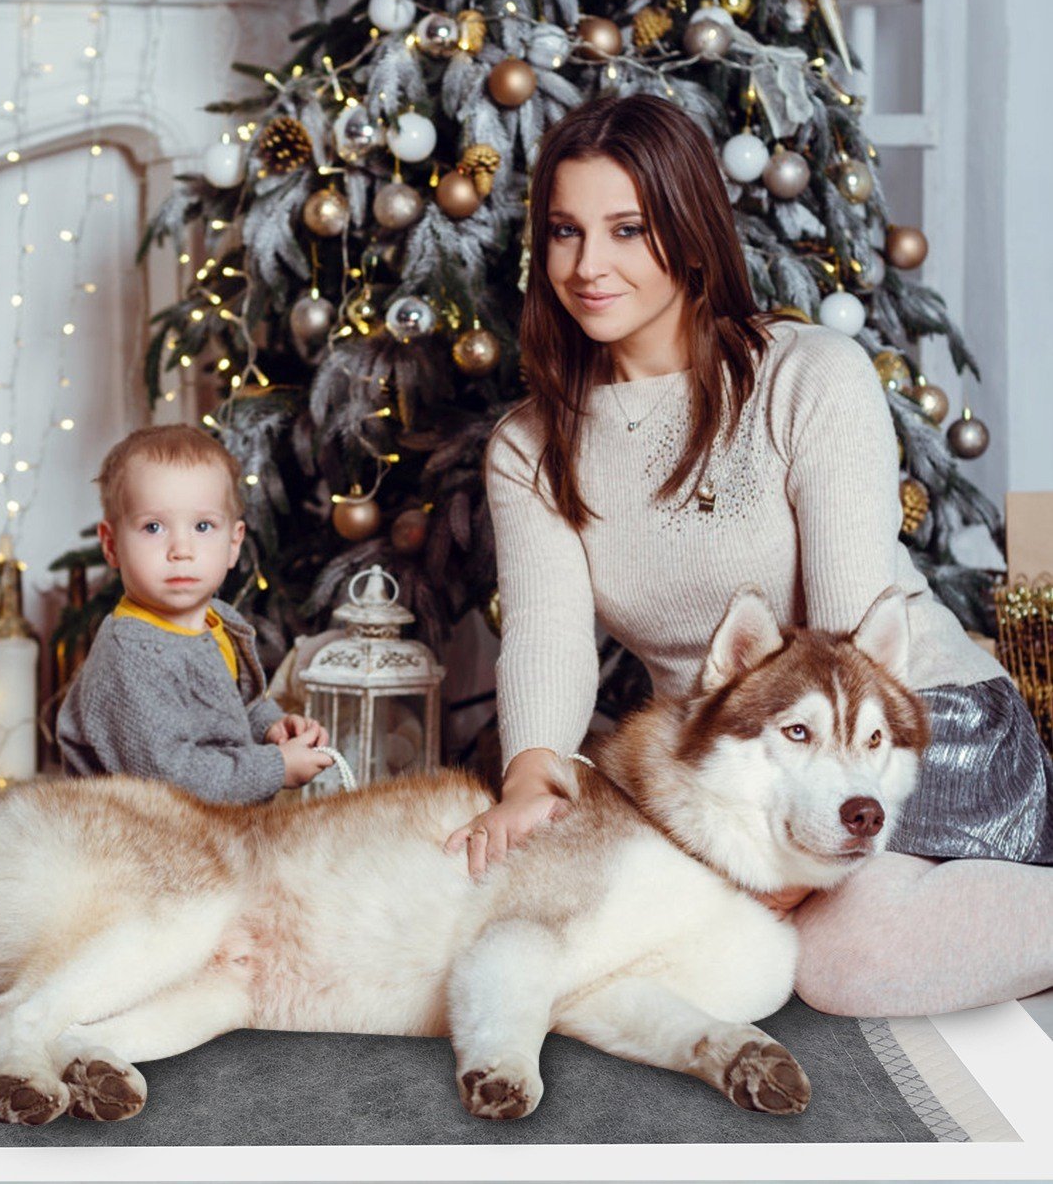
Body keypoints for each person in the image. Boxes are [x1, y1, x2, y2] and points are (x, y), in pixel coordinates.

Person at [446, 93, 1053, 1017]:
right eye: (566, 232)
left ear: (690, 234)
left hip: (910, 728)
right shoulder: (530, 446)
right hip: (737, 765)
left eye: (626, 230)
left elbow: (854, 638)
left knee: (839, 965)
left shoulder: (810, 375)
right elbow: (548, 634)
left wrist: (788, 875)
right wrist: (532, 774)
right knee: (661, 927)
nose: (588, 265)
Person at [56, 424, 333, 802]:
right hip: (132, 826)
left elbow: (234, 708)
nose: (181, 550)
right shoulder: (130, 656)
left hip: (211, 819)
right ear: (111, 545)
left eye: (203, 526)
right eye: (153, 527)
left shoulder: (219, 620)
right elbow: (169, 780)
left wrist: (272, 728)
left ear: (233, 543)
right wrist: (276, 767)